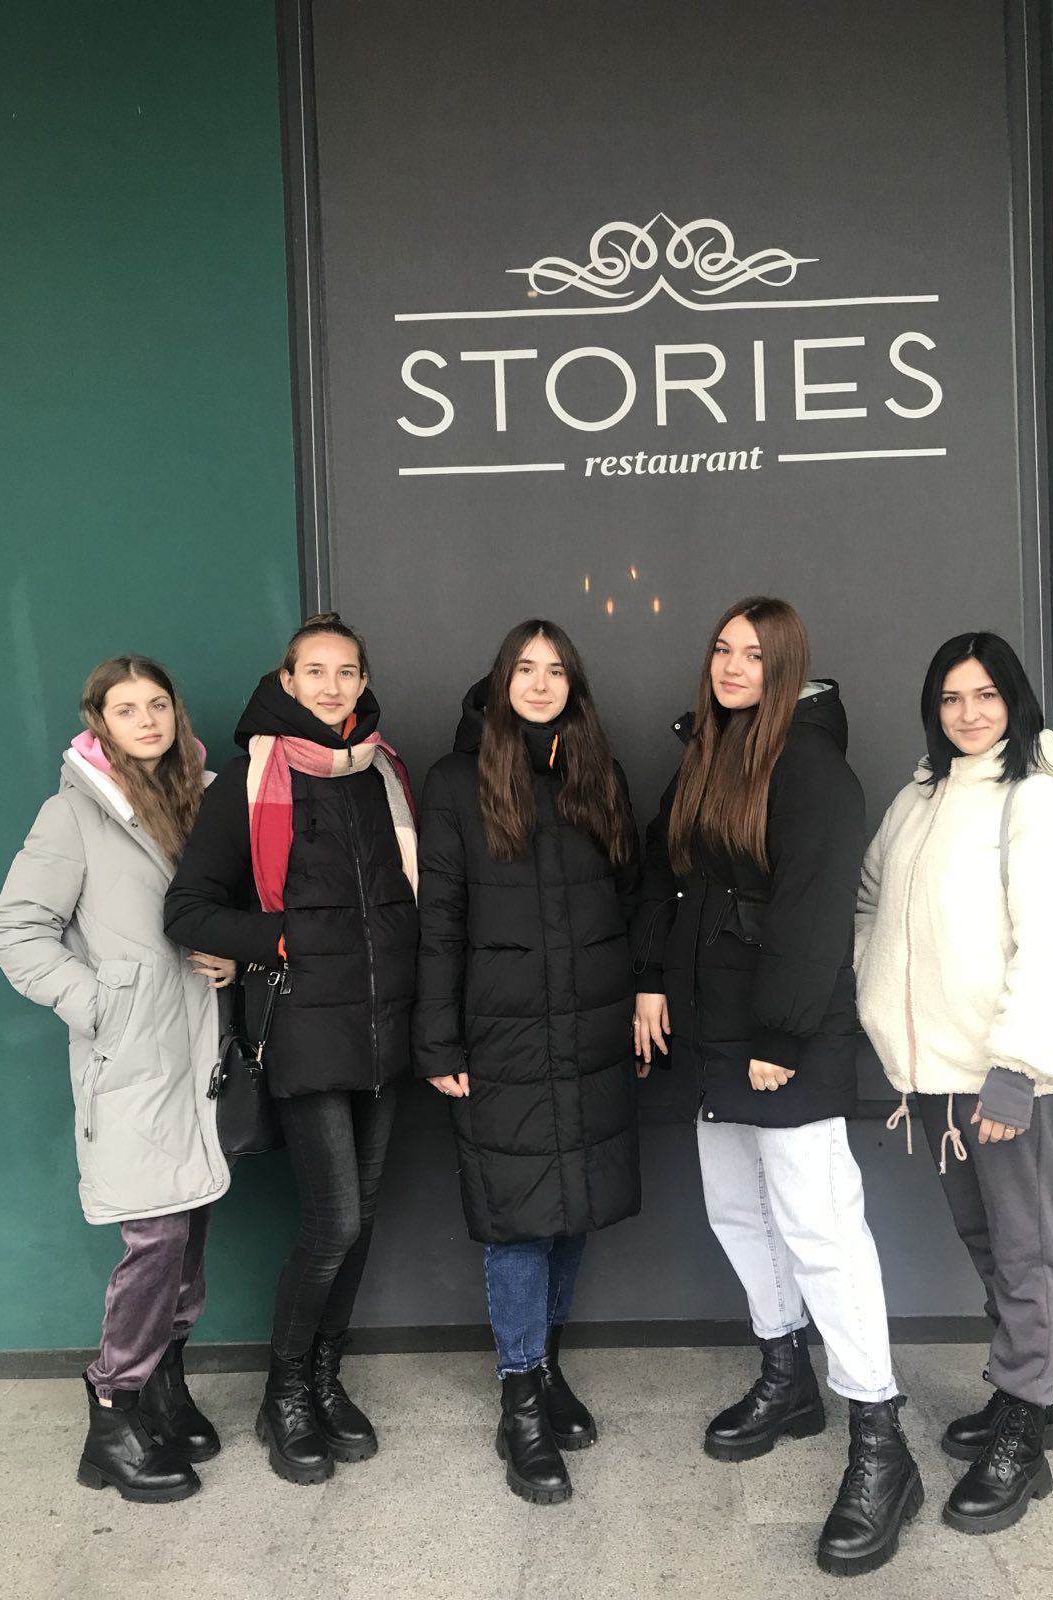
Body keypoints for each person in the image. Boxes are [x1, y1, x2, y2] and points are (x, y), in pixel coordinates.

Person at [632, 597, 920, 1577]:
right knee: (739, 1213)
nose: (732, 665)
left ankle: (881, 1440)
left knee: (821, 1229)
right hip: (715, 1032)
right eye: (723, 649)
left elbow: (813, 909)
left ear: (787, 666)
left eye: (754, 655)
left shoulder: (812, 766)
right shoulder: (708, 754)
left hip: (780, 1035)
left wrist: (781, 1034)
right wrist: (652, 977)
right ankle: (787, 1373)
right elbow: (667, 873)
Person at [855, 631, 1053, 1535]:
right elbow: (872, 900)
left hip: (1003, 1077)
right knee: (987, 1242)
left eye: (986, 695)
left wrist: (1017, 1069)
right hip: (934, 1076)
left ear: (1014, 701)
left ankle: (1024, 1433)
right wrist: (878, 992)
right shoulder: (919, 798)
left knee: (1028, 1249)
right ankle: (1035, 1393)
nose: (968, 713)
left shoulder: (1036, 803)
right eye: (952, 697)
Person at [163, 613, 418, 1486]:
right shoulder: (250, 778)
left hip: (386, 1030)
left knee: (364, 1220)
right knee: (332, 1222)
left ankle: (323, 1379)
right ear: (287, 680)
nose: (332, 686)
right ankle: (284, 1394)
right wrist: (279, 939)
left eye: (347, 672)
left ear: (362, 681)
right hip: (305, 1029)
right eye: (315, 671)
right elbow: (188, 908)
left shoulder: (384, 773)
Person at [0, 657, 233, 1503]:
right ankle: (112, 1409)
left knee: (191, 1229)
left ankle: (165, 1388)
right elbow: (17, 932)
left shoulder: (207, 796)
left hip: (203, 1051)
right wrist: (101, 1005)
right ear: (99, 721)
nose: (147, 720)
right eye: (127, 708)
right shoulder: (73, 813)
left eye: (158, 703)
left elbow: (222, 906)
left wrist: (232, 959)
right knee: (154, 1239)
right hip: (132, 1057)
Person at [413, 620, 643, 1506]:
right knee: (518, 1218)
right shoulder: (453, 781)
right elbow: (439, 920)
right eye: (524, 668)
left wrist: (638, 1004)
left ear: (574, 685)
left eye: (555, 671)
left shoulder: (599, 775)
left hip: (588, 1031)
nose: (540, 684)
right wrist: (438, 1040)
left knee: (571, 1206)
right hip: (499, 1037)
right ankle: (518, 1400)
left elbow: (627, 899)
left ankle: (546, 1368)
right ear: (500, 679)